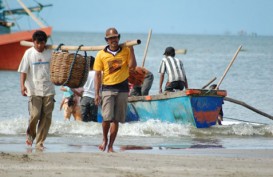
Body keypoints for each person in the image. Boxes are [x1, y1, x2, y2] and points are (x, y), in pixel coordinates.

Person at [94, 27, 137, 152]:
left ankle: (111, 145)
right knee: (106, 118)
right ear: (107, 40)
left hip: (123, 88)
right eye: (111, 38)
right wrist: (97, 93)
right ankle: (104, 139)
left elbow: (133, 67)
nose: (113, 40)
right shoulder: (101, 54)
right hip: (107, 88)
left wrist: (132, 50)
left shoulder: (125, 50)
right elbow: (97, 75)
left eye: (115, 37)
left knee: (116, 119)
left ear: (119, 38)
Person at [18, 30, 55, 150]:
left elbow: (57, 68)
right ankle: (30, 136)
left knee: (46, 117)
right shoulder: (28, 53)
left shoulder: (50, 53)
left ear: (45, 43)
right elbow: (23, 70)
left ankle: (40, 142)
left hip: (49, 88)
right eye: (37, 43)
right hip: (33, 89)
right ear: (34, 42)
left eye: (42, 43)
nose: (39, 46)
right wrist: (22, 86)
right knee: (34, 115)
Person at [80, 56, 98, 122]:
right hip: (94, 98)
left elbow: (79, 88)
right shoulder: (98, 74)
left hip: (85, 97)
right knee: (94, 119)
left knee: (83, 120)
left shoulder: (83, 74)